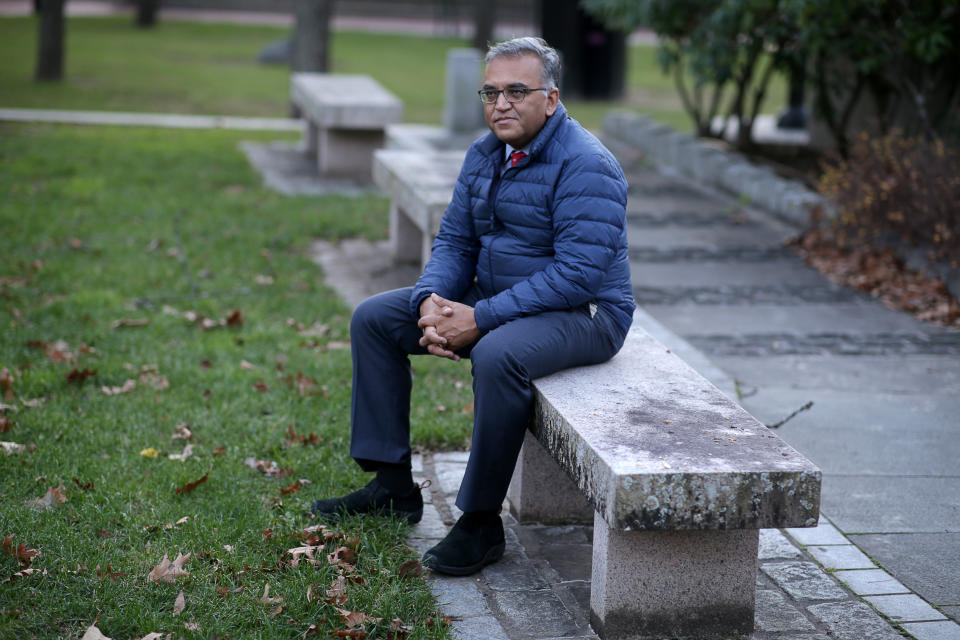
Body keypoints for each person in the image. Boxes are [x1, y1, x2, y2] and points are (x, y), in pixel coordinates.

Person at [310, 36, 634, 576]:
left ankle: (481, 523)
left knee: (497, 354)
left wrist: (479, 319)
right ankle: (392, 486)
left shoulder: (587, 165)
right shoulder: (486, 152)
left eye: (516, 91)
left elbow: (579, 275)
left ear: (551, 99)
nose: (500, 103)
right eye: (490, 91)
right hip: (503, 296)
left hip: (587, 313)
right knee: (374, 318)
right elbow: (456, 242)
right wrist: (430, 304)